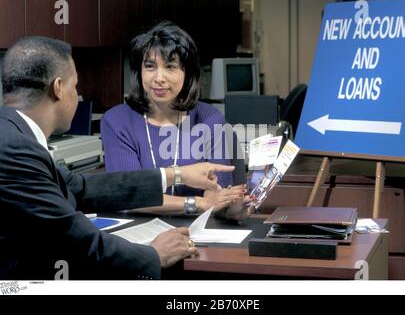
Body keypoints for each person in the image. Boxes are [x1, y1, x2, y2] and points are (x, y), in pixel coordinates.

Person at [0, 36, 235, 280]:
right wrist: (154, 254)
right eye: (75, 86)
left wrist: (176, 174)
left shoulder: (14, 136)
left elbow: (80, 188)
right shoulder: (15, 149)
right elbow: (74, 240)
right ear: (58, 88)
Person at [101, 21, 251, 219]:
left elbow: (217, 194)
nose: (159, 78)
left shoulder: (209, 118)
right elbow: (130, 194)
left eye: (170, 67)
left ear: (187, 73)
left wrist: (235, 208)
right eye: (150, 66)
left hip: (198, 235)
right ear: (140, 71)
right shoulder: (116, 121)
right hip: (138, 238)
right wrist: (197, 203)